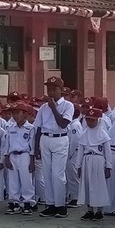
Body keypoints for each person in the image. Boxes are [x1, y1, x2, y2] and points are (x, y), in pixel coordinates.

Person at [35, 77, 76, 218]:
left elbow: (63, 124)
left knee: (57, 174)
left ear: (60, 90)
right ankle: (50, 204)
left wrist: (53, 108)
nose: (51, 92)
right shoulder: (42, 107)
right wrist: (36, 149)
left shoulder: (68, 105)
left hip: (60, 139)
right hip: (45, 139)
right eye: (49, 89)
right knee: (46, 173)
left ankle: (60, 205)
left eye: (54, 89)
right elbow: (38, 128)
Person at [76, 109, 112, 221]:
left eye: (93, 120)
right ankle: (90, 210)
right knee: (87, 185)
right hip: (86, 160)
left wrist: (108, 166)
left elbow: (108, 152)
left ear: (99, 120)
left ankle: (99, 211)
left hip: (99, 160)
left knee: (98, 185)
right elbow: (80, 151)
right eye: (88, 120)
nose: (90, 122)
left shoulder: (103, 135)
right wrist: (78, 166)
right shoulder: (84, 134)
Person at [2, 102, 36, 215]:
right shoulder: (11, 128)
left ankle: (27, 202)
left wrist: (32, 160)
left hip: (25, 155)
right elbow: (7, 144)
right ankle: (14, 202)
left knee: (26, 179)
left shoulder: (30, 128)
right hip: (13, 155)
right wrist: (6, 157)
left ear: (25, 114)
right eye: (14, 113)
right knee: (13, 180)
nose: (15, 116)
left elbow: (32, 144)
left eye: (18, 113)